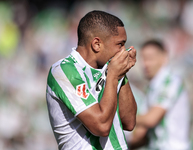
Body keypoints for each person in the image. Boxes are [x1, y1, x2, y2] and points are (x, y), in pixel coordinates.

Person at [46, 10, 137, 150]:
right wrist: (113, 76)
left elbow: (129, 122)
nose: (124, 51)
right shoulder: (64, 71)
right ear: (97, 44)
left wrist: (122, 73)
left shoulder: (110, 68)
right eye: (120, 44)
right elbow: (101, 127)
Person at [127, 40, 190, 150]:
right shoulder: (152, 87)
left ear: (164, 57)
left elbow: (151, 119)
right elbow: (142, 133)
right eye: (143, 59)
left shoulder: (170, 82)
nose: (145, 64)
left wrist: (120, 119)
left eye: (150, 58)